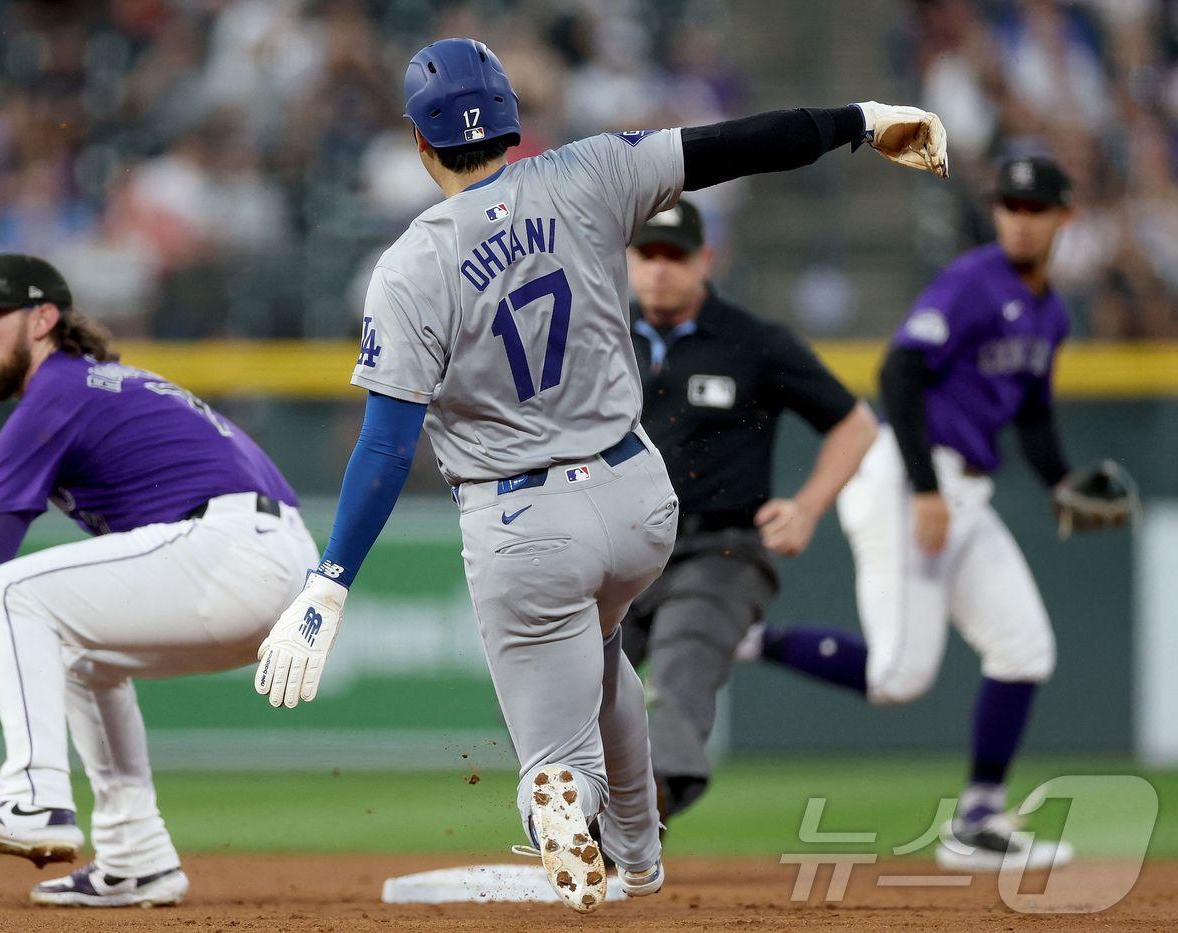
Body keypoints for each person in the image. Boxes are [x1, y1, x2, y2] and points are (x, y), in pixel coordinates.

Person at [249, 37, 947, 912]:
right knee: (607, 644)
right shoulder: (589, 173)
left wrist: (331, 581)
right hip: (635, 498)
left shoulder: (408, 267)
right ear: (512, 120)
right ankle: (638, 854)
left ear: (420, 147)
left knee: (554, 760)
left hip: (522, 521)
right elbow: (737, 144)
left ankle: (561, 804)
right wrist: (862, 119)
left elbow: (387, 447)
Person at [0, 253, 317, 907]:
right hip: (270, 560)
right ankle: (136, 857)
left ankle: (33, 800)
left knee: (6, 591)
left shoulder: (52, 397)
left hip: (231, 551)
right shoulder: (100, 384)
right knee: (83, 657)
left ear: (43, 319)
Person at [741, 156, 1090, 868]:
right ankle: (742, 637)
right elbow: (898, 371)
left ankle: (978, 821)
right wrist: (927, 489)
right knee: (898, 677)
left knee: (1025, 649)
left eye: (1034, 207)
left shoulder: (1052, 311)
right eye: (1009, 206)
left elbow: (1035, 415)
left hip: (966, 493)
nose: (1019, 219)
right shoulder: (973, 281)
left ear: (1063, 217)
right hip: (909, 479)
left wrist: (1064, 481)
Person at [620, 198, 878, 822]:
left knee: (681, 670)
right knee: (572, 685)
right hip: (619, 553)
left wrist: (809, 507)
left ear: (706, 260)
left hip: (720, 550)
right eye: (647, 254)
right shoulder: (597, 340)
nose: (659, 269)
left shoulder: (753, 343)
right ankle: (579, 814)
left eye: (674, 256)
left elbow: (856, 424)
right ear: (626, 260)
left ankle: (644, 813)